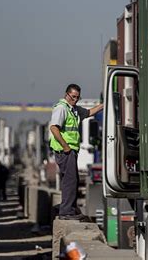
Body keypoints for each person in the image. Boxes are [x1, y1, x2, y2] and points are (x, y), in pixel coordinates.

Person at [49, 84, 103, 220]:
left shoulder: (73, 109)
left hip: (71, 151)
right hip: (65, 151)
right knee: (70, 180)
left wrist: (103, 105)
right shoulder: (61, 108)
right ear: (66, 95)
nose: (75, 100)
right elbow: (54, 128)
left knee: (73, 180)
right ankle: (66, 211)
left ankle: (70, 208)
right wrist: (65, 147)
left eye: (78, 98)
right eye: (73, 97)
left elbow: (89, 113)